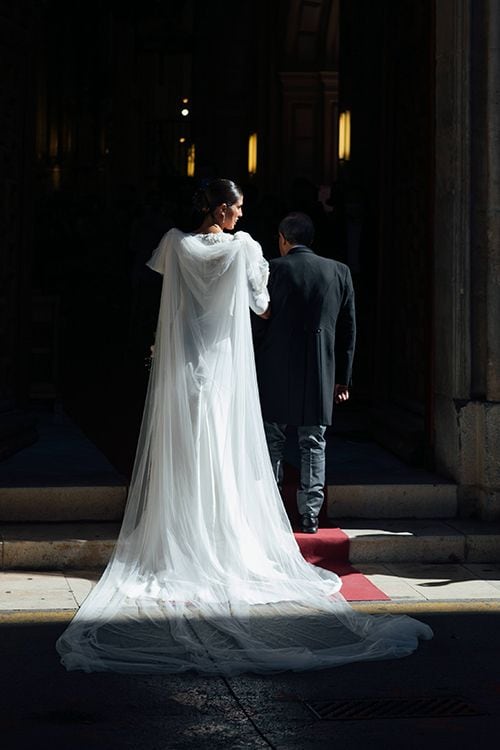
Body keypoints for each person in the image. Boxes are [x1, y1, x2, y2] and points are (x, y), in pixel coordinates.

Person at [56, 179, 431, 675]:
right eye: (236, 207)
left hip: (182, 369)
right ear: (220, 208)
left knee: (186, 450)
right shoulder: (246, 247)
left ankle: (183, 534)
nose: (240, 214)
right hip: (225, 370)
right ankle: (220, 533)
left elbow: (153, 294)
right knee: (224, 450)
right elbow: (262, 306)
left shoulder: (172, 243)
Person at [254, 212, 355, 534]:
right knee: (314, 441)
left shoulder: (272, 269)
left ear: (284, 239)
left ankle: (269, 512)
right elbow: (348, 328)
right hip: (320, 368)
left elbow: (258, 322)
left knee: (272, 439)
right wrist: (344, 377)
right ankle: (310, 515)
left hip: (275, 366)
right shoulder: (339, 271)